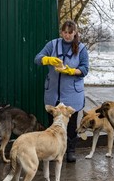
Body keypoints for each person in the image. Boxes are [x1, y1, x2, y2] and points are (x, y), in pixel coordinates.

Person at [34, 20, 89, 163]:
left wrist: (71, 71)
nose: (67, 35)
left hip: (72, 93)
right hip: (53, 92)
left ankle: (70, 150)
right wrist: (47, 60)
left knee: (70, 125)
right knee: (52, 123)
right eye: (65, 32)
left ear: (75, 32)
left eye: (70, 33)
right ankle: (51, 150)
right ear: (61, 32)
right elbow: (37, 59)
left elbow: (85, 69)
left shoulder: (81, 48)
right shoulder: (52, 44)